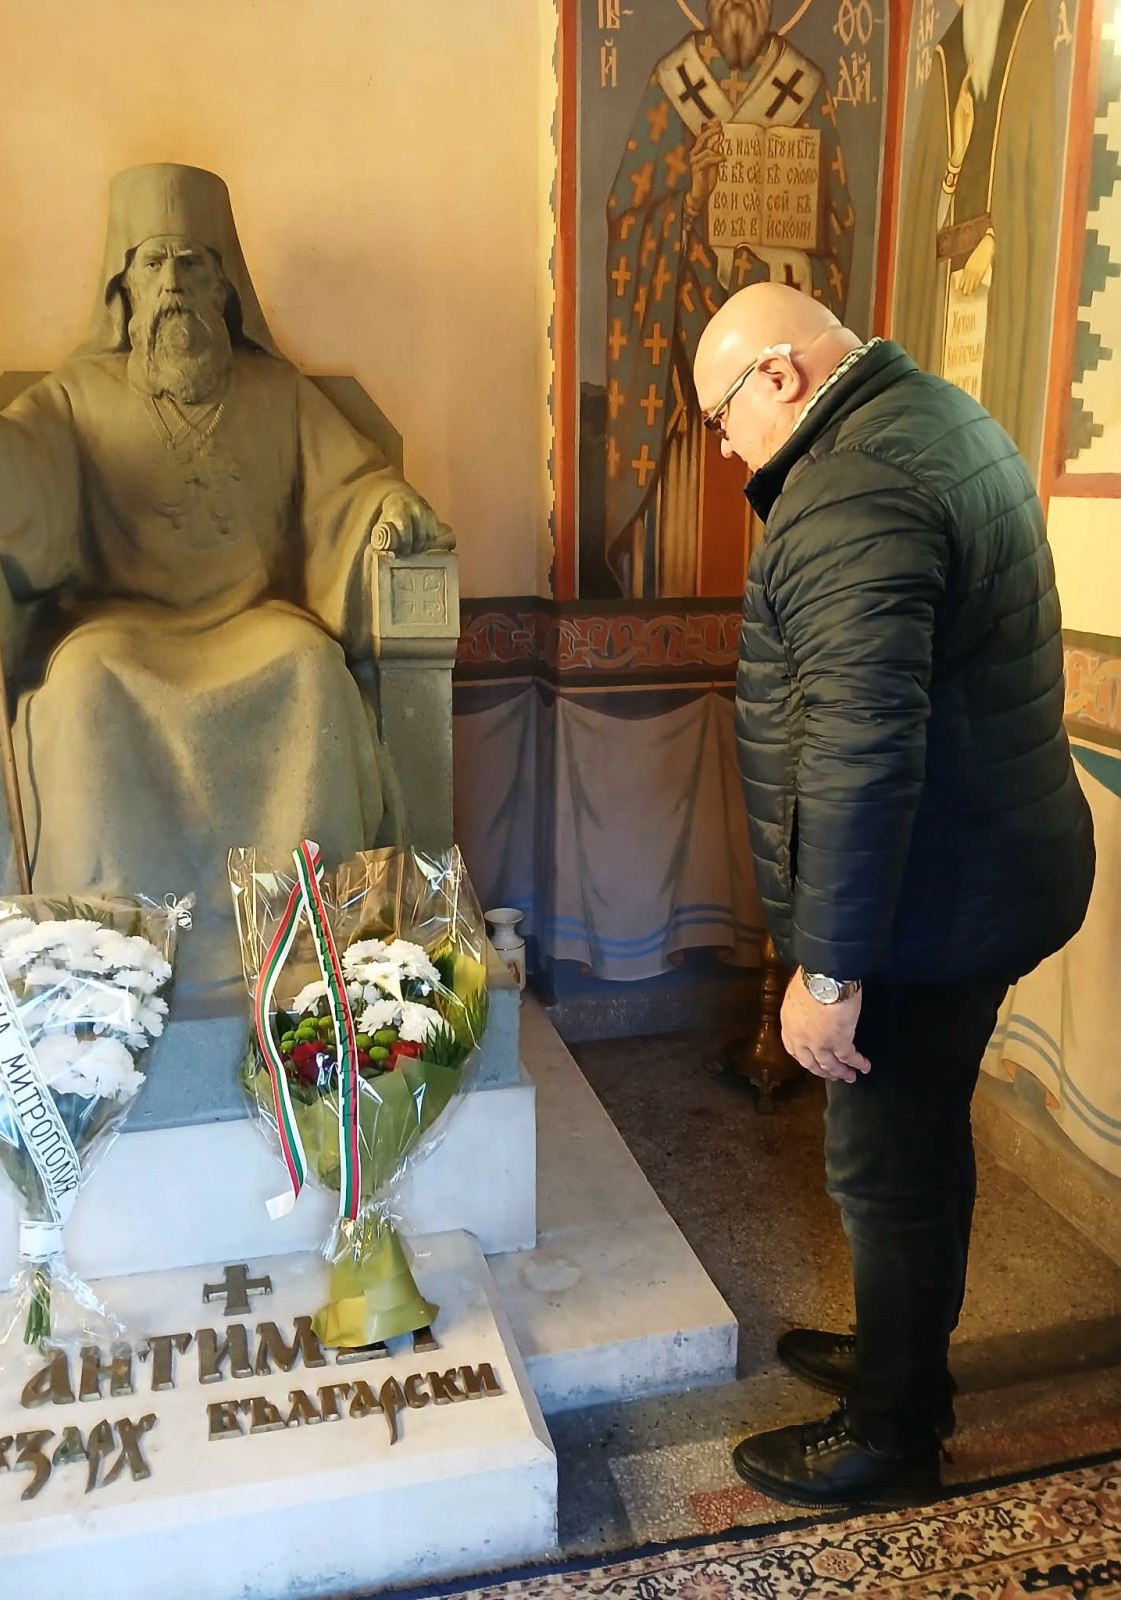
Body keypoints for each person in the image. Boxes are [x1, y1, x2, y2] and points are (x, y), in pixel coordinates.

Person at [692, 282, 1094, 1507]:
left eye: (721, 416)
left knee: (885, 1166)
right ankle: (900, 1349)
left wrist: (829, 970)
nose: (725, 449)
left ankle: (893, 1432)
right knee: (920, 1139)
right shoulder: (936, 417)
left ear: (780, 375)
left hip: (928, 905)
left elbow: (862, 754)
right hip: (986, 870)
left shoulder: (852, 487)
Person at [0, 164, 448, 941]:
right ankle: (101, 945)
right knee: (82, 684)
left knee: (313, 670)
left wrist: (387, 505)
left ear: (223, 288)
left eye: (191, 263)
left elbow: (350, 487)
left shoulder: (279, 393)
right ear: (124, 290)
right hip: (117, 629)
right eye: (153, 263)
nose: (172, 283)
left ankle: (308, 937)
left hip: (256, 621)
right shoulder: (74, 396)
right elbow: (11, 477)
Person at [604, 0, 852, 596]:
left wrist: (775, 265)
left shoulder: (803, 89)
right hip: (682, 384)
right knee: (684, 548)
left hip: (780, 388)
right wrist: (690, 201)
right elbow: (628, 221)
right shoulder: (674, 84)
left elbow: (837, 229)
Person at [892, 0, 1055, 474]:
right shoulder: (948, 55)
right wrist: (953, 162)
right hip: (948, 294)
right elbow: (926, 210)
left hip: (999, 290)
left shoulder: (1025, 32)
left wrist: (996, 241)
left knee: (987, 428)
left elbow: (1038, 180)